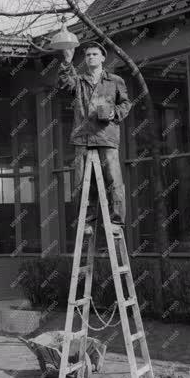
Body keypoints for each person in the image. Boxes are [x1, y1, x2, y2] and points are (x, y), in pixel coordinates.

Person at [58, 43, 131, 236]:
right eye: (88, 54)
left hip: (107, 137)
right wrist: (67, 60)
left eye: (94, 54)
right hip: (83, 137)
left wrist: (113, 113)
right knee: (82, 183)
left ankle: (116, 221)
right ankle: (87, 222)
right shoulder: (79, 81)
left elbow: (126, 103)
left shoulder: (115, 81)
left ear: (102, 58)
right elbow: (66, 82)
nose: (91, 57)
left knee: (113, 180)